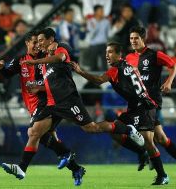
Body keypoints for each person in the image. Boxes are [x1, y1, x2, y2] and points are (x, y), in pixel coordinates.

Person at [19, 28, 144, 172]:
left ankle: (126, 129)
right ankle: (27, 167)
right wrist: (37, 86)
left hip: (68, 99)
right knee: (35, 132)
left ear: (51, 39)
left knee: (90, 128)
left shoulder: (61, 48)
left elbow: (62, 57)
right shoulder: (46, 58)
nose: (39, 44)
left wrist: (36, 62)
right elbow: (50, 81)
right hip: (53, 103)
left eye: (41, 40)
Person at [71, 41, 169, 185]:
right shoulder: (129, 65)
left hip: (143, 107)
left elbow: (98, 80)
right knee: (116, 133)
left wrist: (80, 71)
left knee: (148, 142)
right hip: (137, 106)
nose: (107, 56)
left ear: (119, 54)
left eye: (110, 52)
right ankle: (141, 152)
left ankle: (162, 174)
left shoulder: (115, 70)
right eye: (106, 53)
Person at [0, 31, 85, 186]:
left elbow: (56, 77)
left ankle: (22, 167)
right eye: (34, 42)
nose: (37, 45)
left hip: (48, 102)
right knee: (46, 138)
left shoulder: (47, 58)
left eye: (39, 42)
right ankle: (75, 167)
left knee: (33, 132)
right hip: (34, 106)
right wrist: (0, 68)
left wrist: (39, 87)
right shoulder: (21, 60)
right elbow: (5, 76)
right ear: (27, 44)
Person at [126, 26, 176, 184]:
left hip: (151, 100)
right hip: (137, 101)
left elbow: (173, 65)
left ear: (143, 38)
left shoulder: (154, 55)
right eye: (131, 39)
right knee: (161, 138)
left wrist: (168, 81)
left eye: (136, 38)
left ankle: (161, 174)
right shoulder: (129, 58)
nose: (133, 41)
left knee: (146, 137)